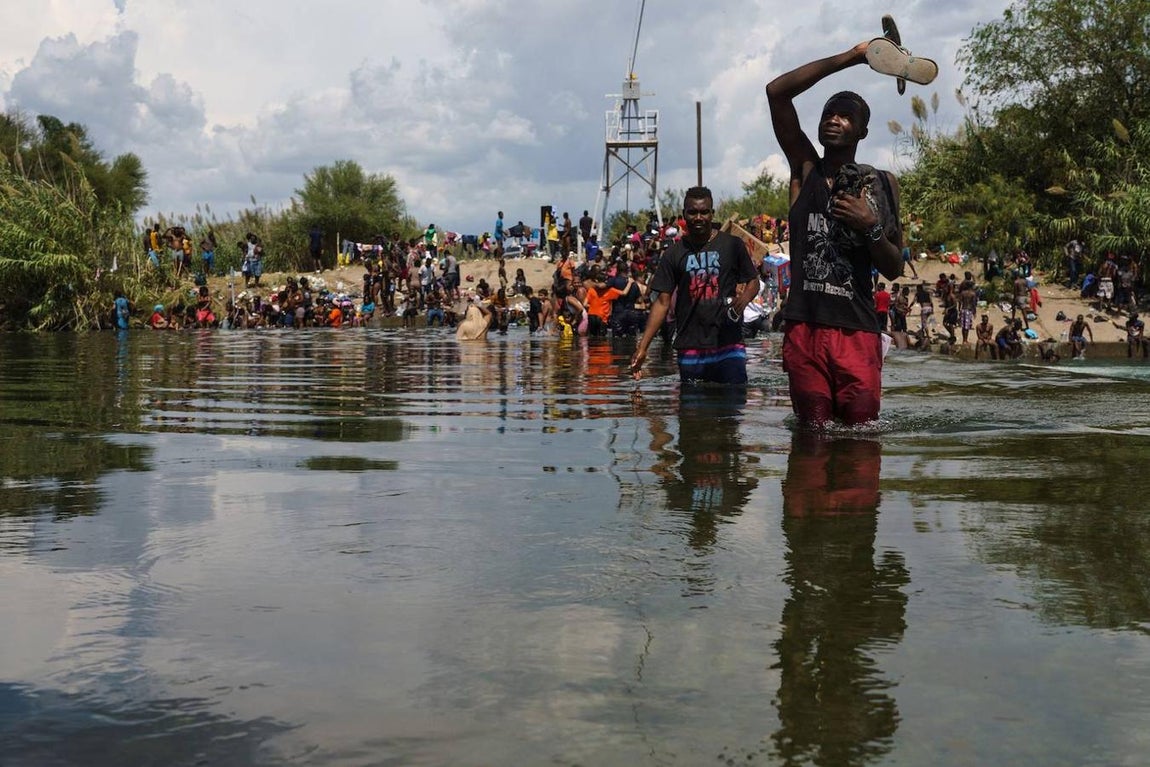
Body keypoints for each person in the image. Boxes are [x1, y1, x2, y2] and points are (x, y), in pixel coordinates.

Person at [766, 41, 904, 426]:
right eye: (829, 113)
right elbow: (776, 92)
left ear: (862, 130)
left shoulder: (882, 184)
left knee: (860, 443)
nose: (834, 119)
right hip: (805, 329)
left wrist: (869, 225)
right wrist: (854, 57)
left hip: (858, 331)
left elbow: (894, 268)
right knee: (810, 440)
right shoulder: (804, 171)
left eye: (845, 116)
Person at [630, 186, 759, 385]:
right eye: (692, 212)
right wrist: (643, 347)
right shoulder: (673, 253)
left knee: (731, 411)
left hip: (729, 346)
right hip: (690, 348)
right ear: (684, 215)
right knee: (691, 413)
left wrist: (742, 301)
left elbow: (753, 281)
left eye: (704, 212)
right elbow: (662, 303)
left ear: (712, 214)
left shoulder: (732, 245)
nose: (698, 217)